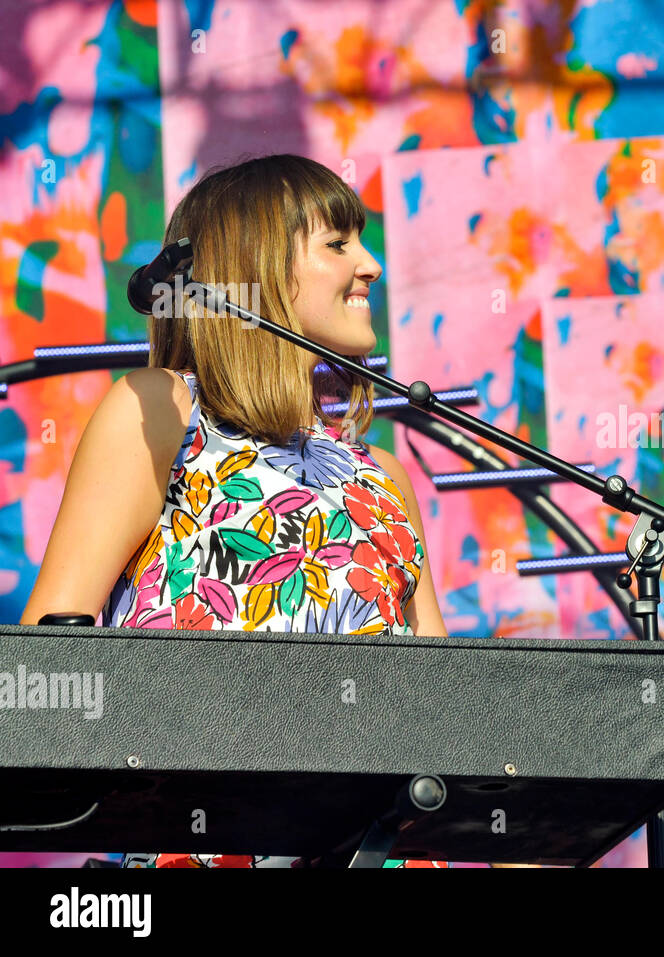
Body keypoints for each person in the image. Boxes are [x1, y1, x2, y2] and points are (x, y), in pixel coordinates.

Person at [20, 154, 448, 867]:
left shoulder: (384, 477)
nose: (369, 264)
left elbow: (450, 710)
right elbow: (45, 663)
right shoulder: (160, 410)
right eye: (338, 244)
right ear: (255, 269)